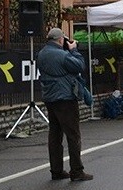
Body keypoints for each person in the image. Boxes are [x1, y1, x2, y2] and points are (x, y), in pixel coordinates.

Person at [36, 28, 93, 182]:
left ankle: (56, 170)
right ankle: (77, 171)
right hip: (65, 98)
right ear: (61, 39)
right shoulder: (62, 55)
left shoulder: (41, 54)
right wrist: (74, 50)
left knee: (55, 135)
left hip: (50, 97)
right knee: (73, 135)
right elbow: (79, 66)